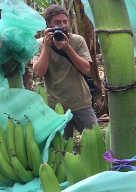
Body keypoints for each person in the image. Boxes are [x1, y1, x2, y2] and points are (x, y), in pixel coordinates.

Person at [32, 4, 98, 140]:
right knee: (61, 150)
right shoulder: (40, 44)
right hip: (55, 107)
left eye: (65, 21)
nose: (62, 25)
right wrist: (47, 46)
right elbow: (39, 73)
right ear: (48, 24)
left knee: (96, 143)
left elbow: (86, 69)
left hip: (81, 103)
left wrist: (67, 48)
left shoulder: (77, 40)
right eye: (57, 22)